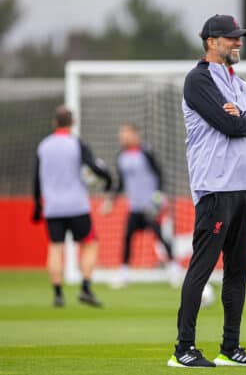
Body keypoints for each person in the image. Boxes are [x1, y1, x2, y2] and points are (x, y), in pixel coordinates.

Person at [167, 14, 246, 368]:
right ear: (211, 42)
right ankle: (183, 349)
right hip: (215, 185)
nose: (238, 43)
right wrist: (243, 120)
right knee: (202, 268)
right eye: (231, 38)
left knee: (238, 271)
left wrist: (243, 118)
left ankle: (230, 348)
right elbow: (228, 124)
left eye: (239, 37)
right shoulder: (197, 80)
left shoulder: (239, 84)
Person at [32, 106, 112, 307]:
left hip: (53, 208)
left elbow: (36, 178)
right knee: (90, 243)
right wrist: (108, 179)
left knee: (55, 248)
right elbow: (92, 167)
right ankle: (85, 288)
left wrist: (37, 205)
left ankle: (58, 294)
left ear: (54, 122)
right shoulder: (77, 144)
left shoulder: (44, 146)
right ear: (72, 122)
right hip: (76, 206)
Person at [102, 123, 181, 287]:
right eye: (121, 134)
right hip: (135, 206)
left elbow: (159, 173)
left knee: (160, 236)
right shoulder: (121, 157)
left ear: (135, 135)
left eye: (125, 133)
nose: (122, 137)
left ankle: (175, 270)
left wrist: (158, 197)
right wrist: (111, 200)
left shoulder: (146, 152)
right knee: (127, 237)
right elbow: (121, 183)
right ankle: (123, 274)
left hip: (151, 204)